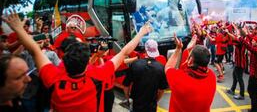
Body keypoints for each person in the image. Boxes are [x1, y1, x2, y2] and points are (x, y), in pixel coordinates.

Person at [2, 10, 152, 112]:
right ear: (87, 61)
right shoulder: (97, 75)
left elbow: (34, 49)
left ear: (64, 59)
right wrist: (141, 32)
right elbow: (125, 51)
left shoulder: (53, 77)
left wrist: (18, 29)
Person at [165, 34, 216, 112]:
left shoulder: (179, 79)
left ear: (191, 60)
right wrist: (188, 50)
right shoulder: (212, 76)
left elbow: (168, 67)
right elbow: (189, 67)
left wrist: (178, 48)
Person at [122, 39, 168, 112]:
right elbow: (161, 90)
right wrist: (155, 100)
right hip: (151, 106)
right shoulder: (161, 68)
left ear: (145, 50)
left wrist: (128, 98)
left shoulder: (135, 64)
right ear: (156, 50)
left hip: (136, 105)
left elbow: (126, 86)